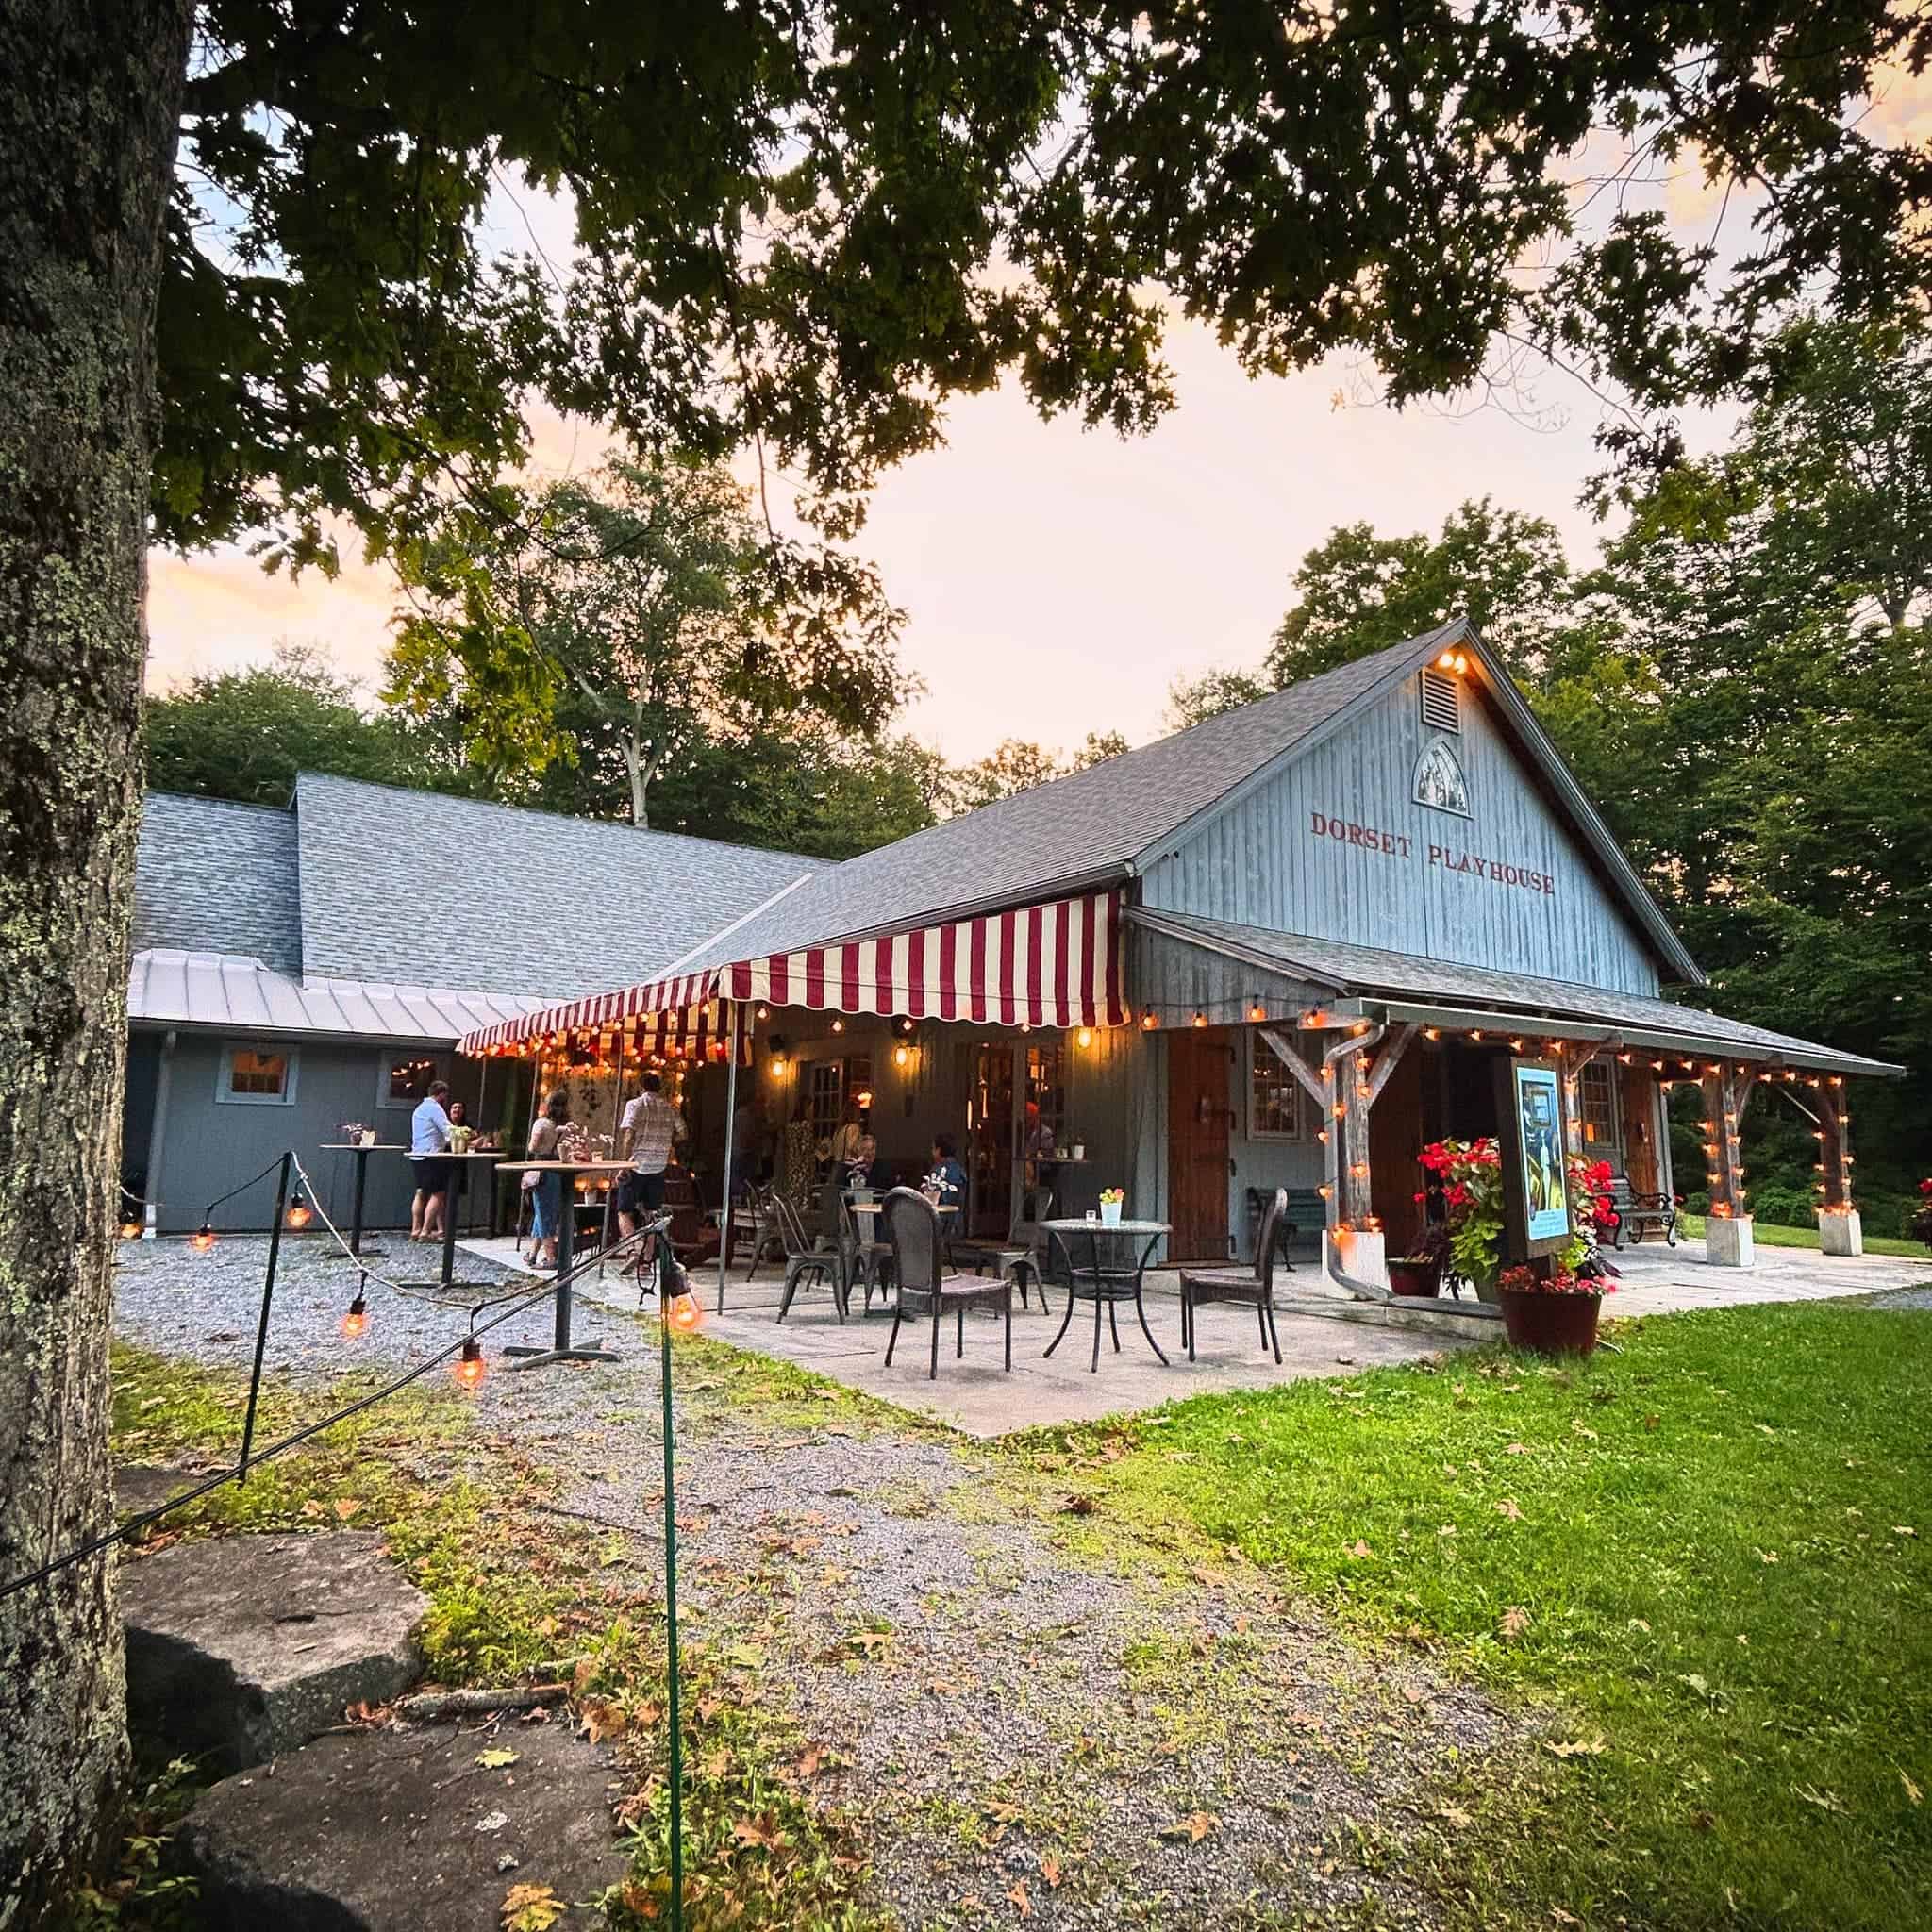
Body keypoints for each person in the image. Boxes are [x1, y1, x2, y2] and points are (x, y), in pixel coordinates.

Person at [617, 1074, 687, 1262]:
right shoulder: (670, 1108)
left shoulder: (635, 1105)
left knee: (624, 1211)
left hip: (636, 1165)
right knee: (651, 1213)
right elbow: (683, 1132)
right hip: (658, 1166)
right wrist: (668, 1142)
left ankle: (633, 1250)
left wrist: (623, 1165)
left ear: (641, 1087)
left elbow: (629, 1137)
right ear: (659, 1088)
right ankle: (647, 1260)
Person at [524, 1089, 568, 1272]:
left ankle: (550, 1257)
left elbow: (533, 1147)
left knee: (543, 1214)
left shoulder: (541, 1123)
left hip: (540, 1169)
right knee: (542, 1212)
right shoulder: (562, 1127)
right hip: (555, 1171)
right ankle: (532, 1253)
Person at [409, 1078, 453, 1241]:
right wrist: (465, 1135)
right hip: (432, 1155)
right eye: (445, 1096)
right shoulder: (435, 1108)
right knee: (438, 1193)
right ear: (441, 1094)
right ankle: (425, 1232)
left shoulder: (419, 1109)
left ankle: (415, 1230)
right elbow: (448, 1130)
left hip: (417, 1154)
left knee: (420, 1192)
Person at [929, 1133, 968, 1210]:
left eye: (933, 1148)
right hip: (958, 1214)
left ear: (938, 1150)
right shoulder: (960, 1169)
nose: (932, 1151)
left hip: (941, 1214)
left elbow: (932, 1199)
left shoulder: (937, 1170)